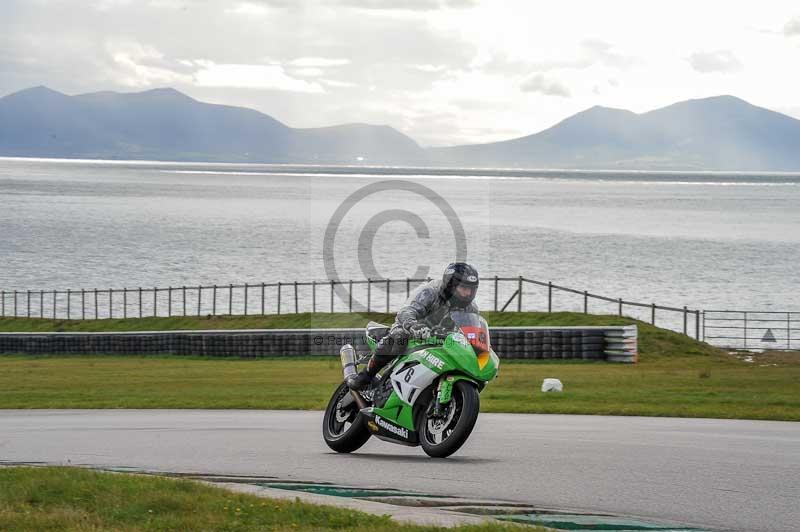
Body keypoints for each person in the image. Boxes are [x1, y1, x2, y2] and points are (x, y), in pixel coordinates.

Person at [346, 262, 479, 391]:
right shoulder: (431, 292)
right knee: (399, 337)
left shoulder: (471, 309)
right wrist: (414, 325)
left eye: (471, 289)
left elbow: (472, 332)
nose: (468, 293)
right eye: (464, 288)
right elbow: (407, 311)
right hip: (411, 332)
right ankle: (365, 376)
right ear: (451, 285)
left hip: (440, 342)